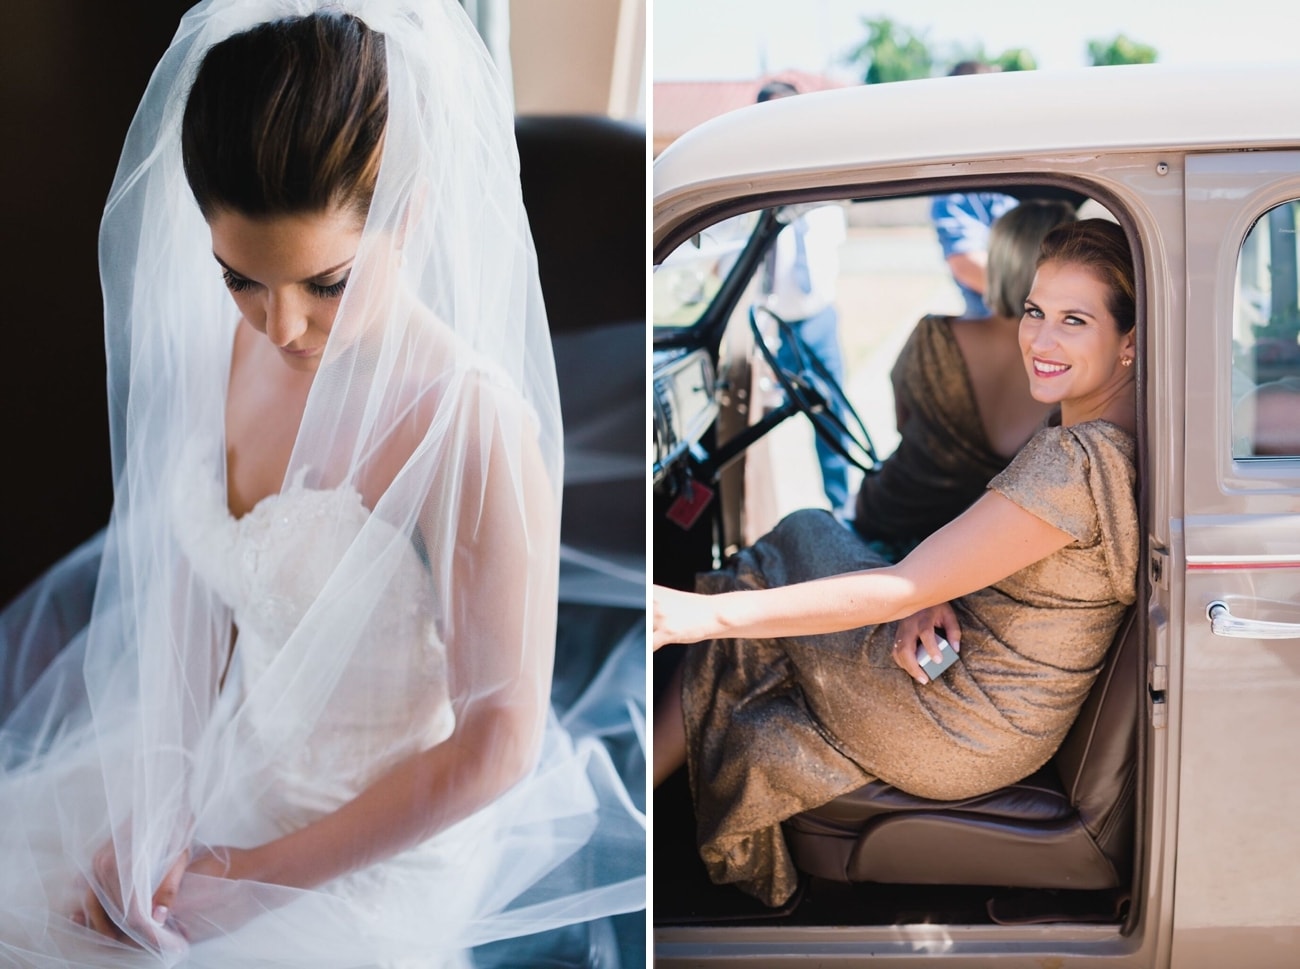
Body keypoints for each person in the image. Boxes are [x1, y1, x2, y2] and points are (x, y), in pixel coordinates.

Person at [0, 3, 643, 966]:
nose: (282, 325)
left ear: (408, 213)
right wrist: (160, 809)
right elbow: (188, 592)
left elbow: (497, 742)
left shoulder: (468, 424)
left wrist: (251, 878)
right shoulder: (222, 340)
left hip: (375, 846)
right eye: (241, 279)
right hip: (224, 759)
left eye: (326, 282)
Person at [653, 219, 1139, 908]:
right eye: (1035, 311)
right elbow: (945, 571)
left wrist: (699, 614)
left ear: (1129, 343)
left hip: (959, 722)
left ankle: (635, 815)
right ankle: (644, 810)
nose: (1040, 338)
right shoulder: (1105, 437)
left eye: (1074, 320)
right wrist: (929, 591)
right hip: (983, 701)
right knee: (780, 578)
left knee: (797, 536)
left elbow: (901, 580)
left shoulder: (1074, 463)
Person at [853, 199, 1078, 560]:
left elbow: (902, 421)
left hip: (894, 524)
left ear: (999, 260)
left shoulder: (932, 336)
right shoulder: (1078, 367)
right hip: (992, 549)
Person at [753, 80, 854, 515]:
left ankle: (842, 506)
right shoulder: (749, 184)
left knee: (832, 418)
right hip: (767, 322)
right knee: (751, 420)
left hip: (818, 317)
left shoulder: (824, 178)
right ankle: (754, 511)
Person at [930, 63, 1018, 318]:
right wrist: (1039, 301)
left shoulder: (1016, 162)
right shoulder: (956, 183)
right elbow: (967, 264)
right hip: (999, 324)